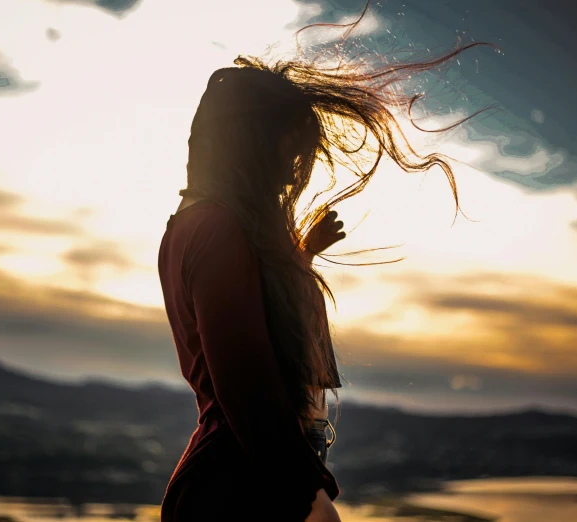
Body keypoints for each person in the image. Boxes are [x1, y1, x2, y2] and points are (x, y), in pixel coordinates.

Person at [157, 5, 495, 520]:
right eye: (285, 157)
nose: (292, 178)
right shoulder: (215, 229)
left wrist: (299, 257)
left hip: (244, 481)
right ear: (248, 147)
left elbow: (247, 322)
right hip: (238, 492)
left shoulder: (197, 226)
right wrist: (307, 493)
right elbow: (244, 380)